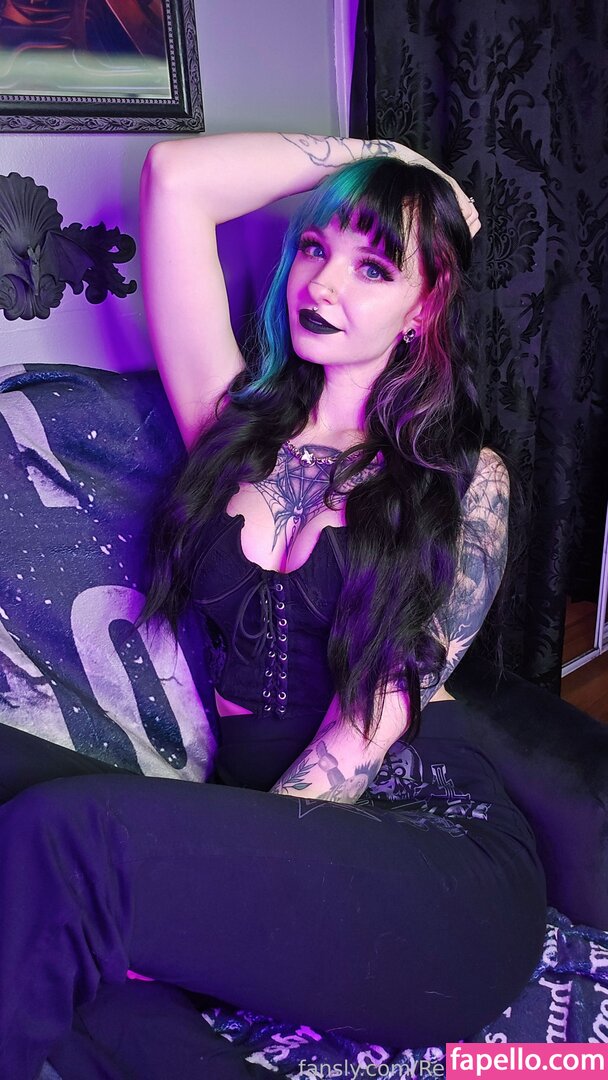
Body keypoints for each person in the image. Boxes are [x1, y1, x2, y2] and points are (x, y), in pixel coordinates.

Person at [0, 133, 547, 1079]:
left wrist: (196, 909)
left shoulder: (464, 482)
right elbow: (176, 178)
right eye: (315, 248)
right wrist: (392, 155)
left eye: (373, 267)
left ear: (424, 307)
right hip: (269, 843)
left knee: (67, 848)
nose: (322, 284)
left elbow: (365, 733)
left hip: (428, 865)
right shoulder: (230, 425)